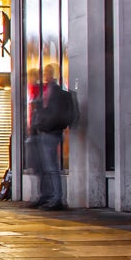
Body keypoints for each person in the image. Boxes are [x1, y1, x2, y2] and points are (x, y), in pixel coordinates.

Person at [30, 64, 76, 210]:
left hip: (51, 132)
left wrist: (46, 124)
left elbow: (53, 113)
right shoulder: (46, 90)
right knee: (44, 168)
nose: (45, 75)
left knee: (52, 167)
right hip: (44, 131)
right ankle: (47, 196)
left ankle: (57, 198)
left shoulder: (56, 91)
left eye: (47, 72)